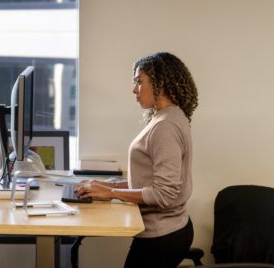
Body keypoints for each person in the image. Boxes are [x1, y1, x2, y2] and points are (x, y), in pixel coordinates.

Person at [76, 52, 198, 268]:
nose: (134, 89)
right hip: (169, 229)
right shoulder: (168, 116)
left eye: (139, 82)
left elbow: (165, 193)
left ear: (160, 82)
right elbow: (149, 180)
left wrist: (112, 193)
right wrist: (106, 186)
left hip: (162, 235)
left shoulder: (165, 127)